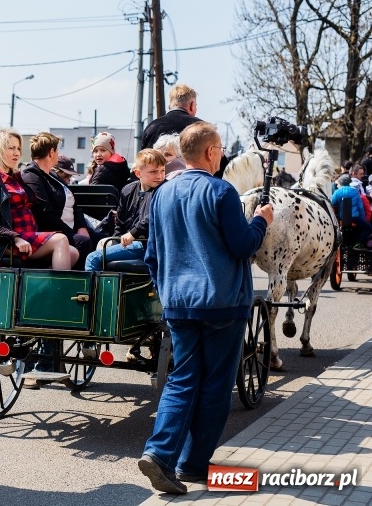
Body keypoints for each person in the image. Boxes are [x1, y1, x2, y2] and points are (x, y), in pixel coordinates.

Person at [139, 121, 273, 494]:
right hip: (222, 304)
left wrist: (167, 291)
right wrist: (260, 222)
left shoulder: (162, 194)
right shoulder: (221, 192)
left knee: (181, 380)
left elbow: (152, 256)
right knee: (215, 386)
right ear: (212, 152)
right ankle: (194, 465)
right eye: (220, 150)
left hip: (179, 305)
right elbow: (244, 245)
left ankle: (158, 453)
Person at [0, 128, 78, 270]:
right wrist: (15, 237)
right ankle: (59, 291)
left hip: (27, 235)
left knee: (73, 253)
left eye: (19, 148)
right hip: (5, 241)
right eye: (11, 148)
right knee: (61, 240)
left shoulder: (15, 176)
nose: (17, 153)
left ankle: (41, 289)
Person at [84, 149, 166, 270]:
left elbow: (153, 217)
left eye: (163, 170)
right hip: (130, 242)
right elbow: (120, 222)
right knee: (103, 245)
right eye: (153, 172)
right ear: (138, 173)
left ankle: (95, 289)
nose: (160, 176)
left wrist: (132, 234)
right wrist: (117, 242)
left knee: (93, 258)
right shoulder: (128, 190)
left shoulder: (165, 190)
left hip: (150, 244)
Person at [21, 133, 93, 269]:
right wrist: (71, 232)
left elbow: (75, 204)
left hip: (69, 227)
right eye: (57, 150)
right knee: (83, 242)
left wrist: (81, 227)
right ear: (51, 152)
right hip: (52, 231)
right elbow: (44, 213)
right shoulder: (31, 176)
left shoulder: (52, 175)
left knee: (98, 237)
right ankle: (79, 285)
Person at [140, 84, 201, 149]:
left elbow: (144, 157)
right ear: (192, 106)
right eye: (196, 105)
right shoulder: (200, 127)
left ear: (169, 106)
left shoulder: (151, 127)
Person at [332, 175, 372, 248]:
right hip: (355, 218)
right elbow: (360, 207)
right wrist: (363, 219)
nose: (337, 186)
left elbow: (332, 202)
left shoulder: (337, 192)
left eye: (337, 184)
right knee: (368, 228)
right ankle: (358, 243)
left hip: (342, 219)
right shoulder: (355, 191)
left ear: (341, 183)